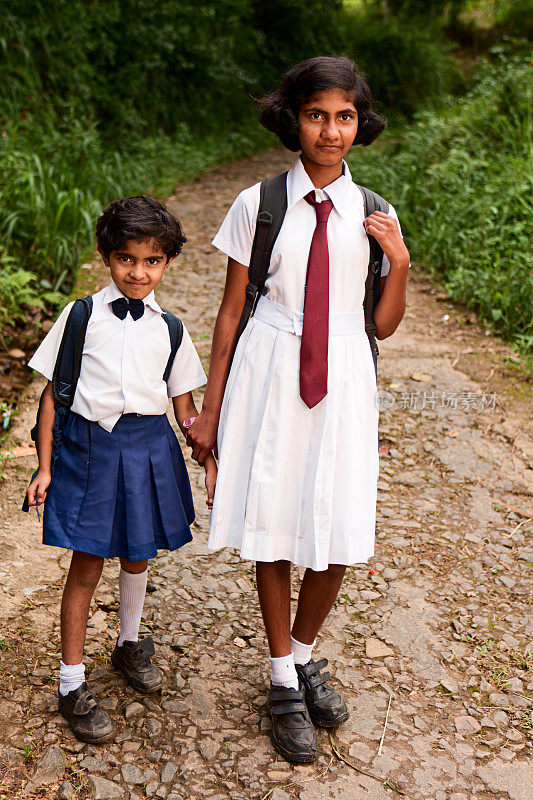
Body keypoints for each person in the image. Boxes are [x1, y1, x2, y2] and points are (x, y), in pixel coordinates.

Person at [187, 56, 410, 763]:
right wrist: (209, 410)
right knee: (278, 522)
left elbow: (381, 325)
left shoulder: (375, 211)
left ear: (360, 123)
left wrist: (398, 263)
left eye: (344, 116)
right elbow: (228, 315)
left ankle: (303, 651)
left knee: (340, 526)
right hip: (271, 364)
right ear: (293, 119)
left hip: (343, 370)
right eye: (317, 115)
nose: (331, 130)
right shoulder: (259, 205)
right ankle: (283, 678)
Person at [25, 195, 217, 743]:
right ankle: (70, 681)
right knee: (86, 564)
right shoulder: (81, 316)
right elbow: (51, 398)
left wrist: (211, 457)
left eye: (151, 261)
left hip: (149, 447)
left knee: (138, 554)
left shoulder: (171, 328)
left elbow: (185, 411)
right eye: (126, 259)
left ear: (167, 263)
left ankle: (129, 644)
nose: (138, 272)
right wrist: (44, 467)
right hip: (91, 449)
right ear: (108, 257)